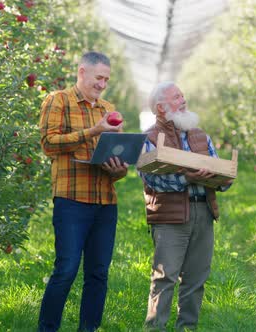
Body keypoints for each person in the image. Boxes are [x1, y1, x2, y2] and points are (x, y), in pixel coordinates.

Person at [37, 51, 129, 332]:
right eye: (98, 77)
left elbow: (120, 162)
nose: (102, 84)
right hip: (72, 200)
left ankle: (88, 329)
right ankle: (47, 328)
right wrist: (93, 131)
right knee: (65, 269)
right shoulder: (58, 100)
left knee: (98, 273)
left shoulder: (108, 109)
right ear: (82, 72)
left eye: (106, 80)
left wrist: (119, 169)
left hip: (104, 201)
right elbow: (49, 144)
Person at [138, 81, 233, 331]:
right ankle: (155, 328)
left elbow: (219, 172)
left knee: (196, 277)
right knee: (165, 276)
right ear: (161, 108)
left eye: (182, 95)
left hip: (203, 210)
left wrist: (218, 177)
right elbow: (152, 179)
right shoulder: (150, 138)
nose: (183, 99)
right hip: (170, 216)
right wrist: (186, 177)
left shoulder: (200, 135)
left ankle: (187, 327)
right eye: (176, 97)